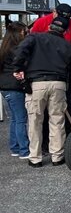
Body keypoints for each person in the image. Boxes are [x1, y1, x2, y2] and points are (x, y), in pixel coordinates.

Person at [13, 16, 71, 167]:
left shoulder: (35, 37)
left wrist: (18, 68)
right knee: (57, 120)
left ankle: (35, 157)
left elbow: (21, 50)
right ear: (65, 30)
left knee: (35, 120)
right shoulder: (69, 46)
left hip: (36, 83)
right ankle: (57, 156)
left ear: (50, 26)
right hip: (58, 83)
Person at [0, 21, 30, 159]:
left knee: (14, 119)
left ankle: (15, 147)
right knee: (21, 119)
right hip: (14, 87)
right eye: (25, 31)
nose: (27, 33)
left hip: (5, 87)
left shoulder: (5, 48)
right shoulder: (17, 49)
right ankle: (24, 149)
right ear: (19, 33)